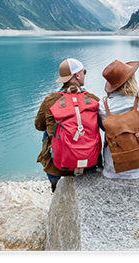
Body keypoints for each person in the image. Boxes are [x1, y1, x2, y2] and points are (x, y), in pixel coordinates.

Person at [35, 58, 101, 192]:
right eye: (83, 73)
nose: (84, 75)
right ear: (77, 75)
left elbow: (39, 125)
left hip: (61, 166)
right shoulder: (93, 99)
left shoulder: (50, 100)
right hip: (90, 162)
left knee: (48, 132)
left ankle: (54, 182)